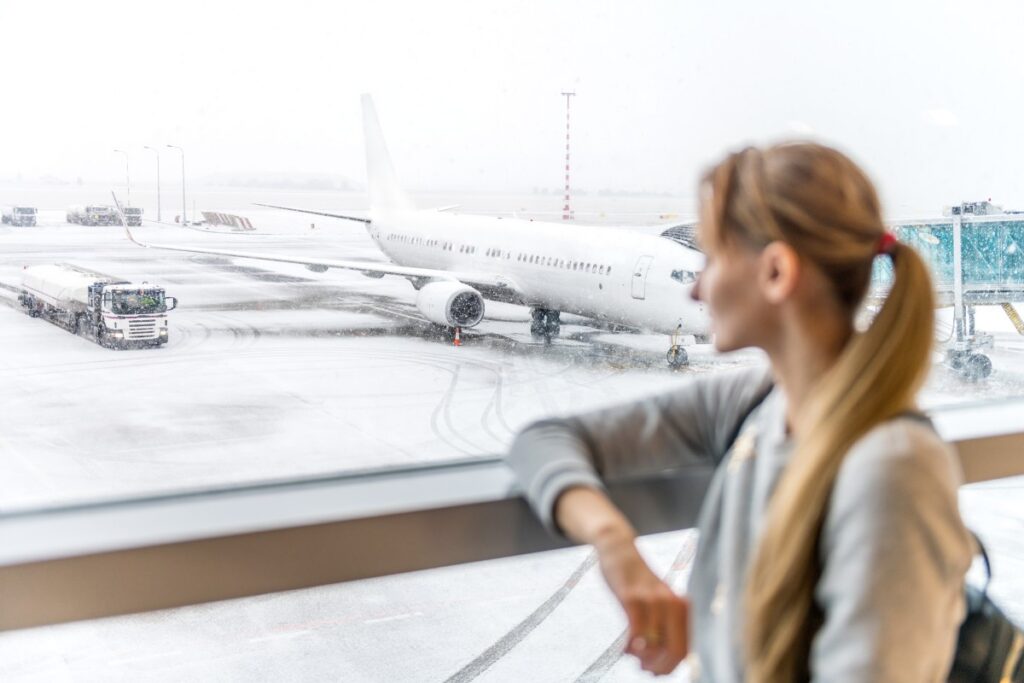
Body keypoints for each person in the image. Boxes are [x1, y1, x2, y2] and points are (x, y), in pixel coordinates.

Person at [507, 143, 973, 682]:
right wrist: (616, 545)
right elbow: (542, 440)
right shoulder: (757, 402)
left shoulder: (893, 473)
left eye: (712, 258)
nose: (697, 288)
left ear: (775, 272)